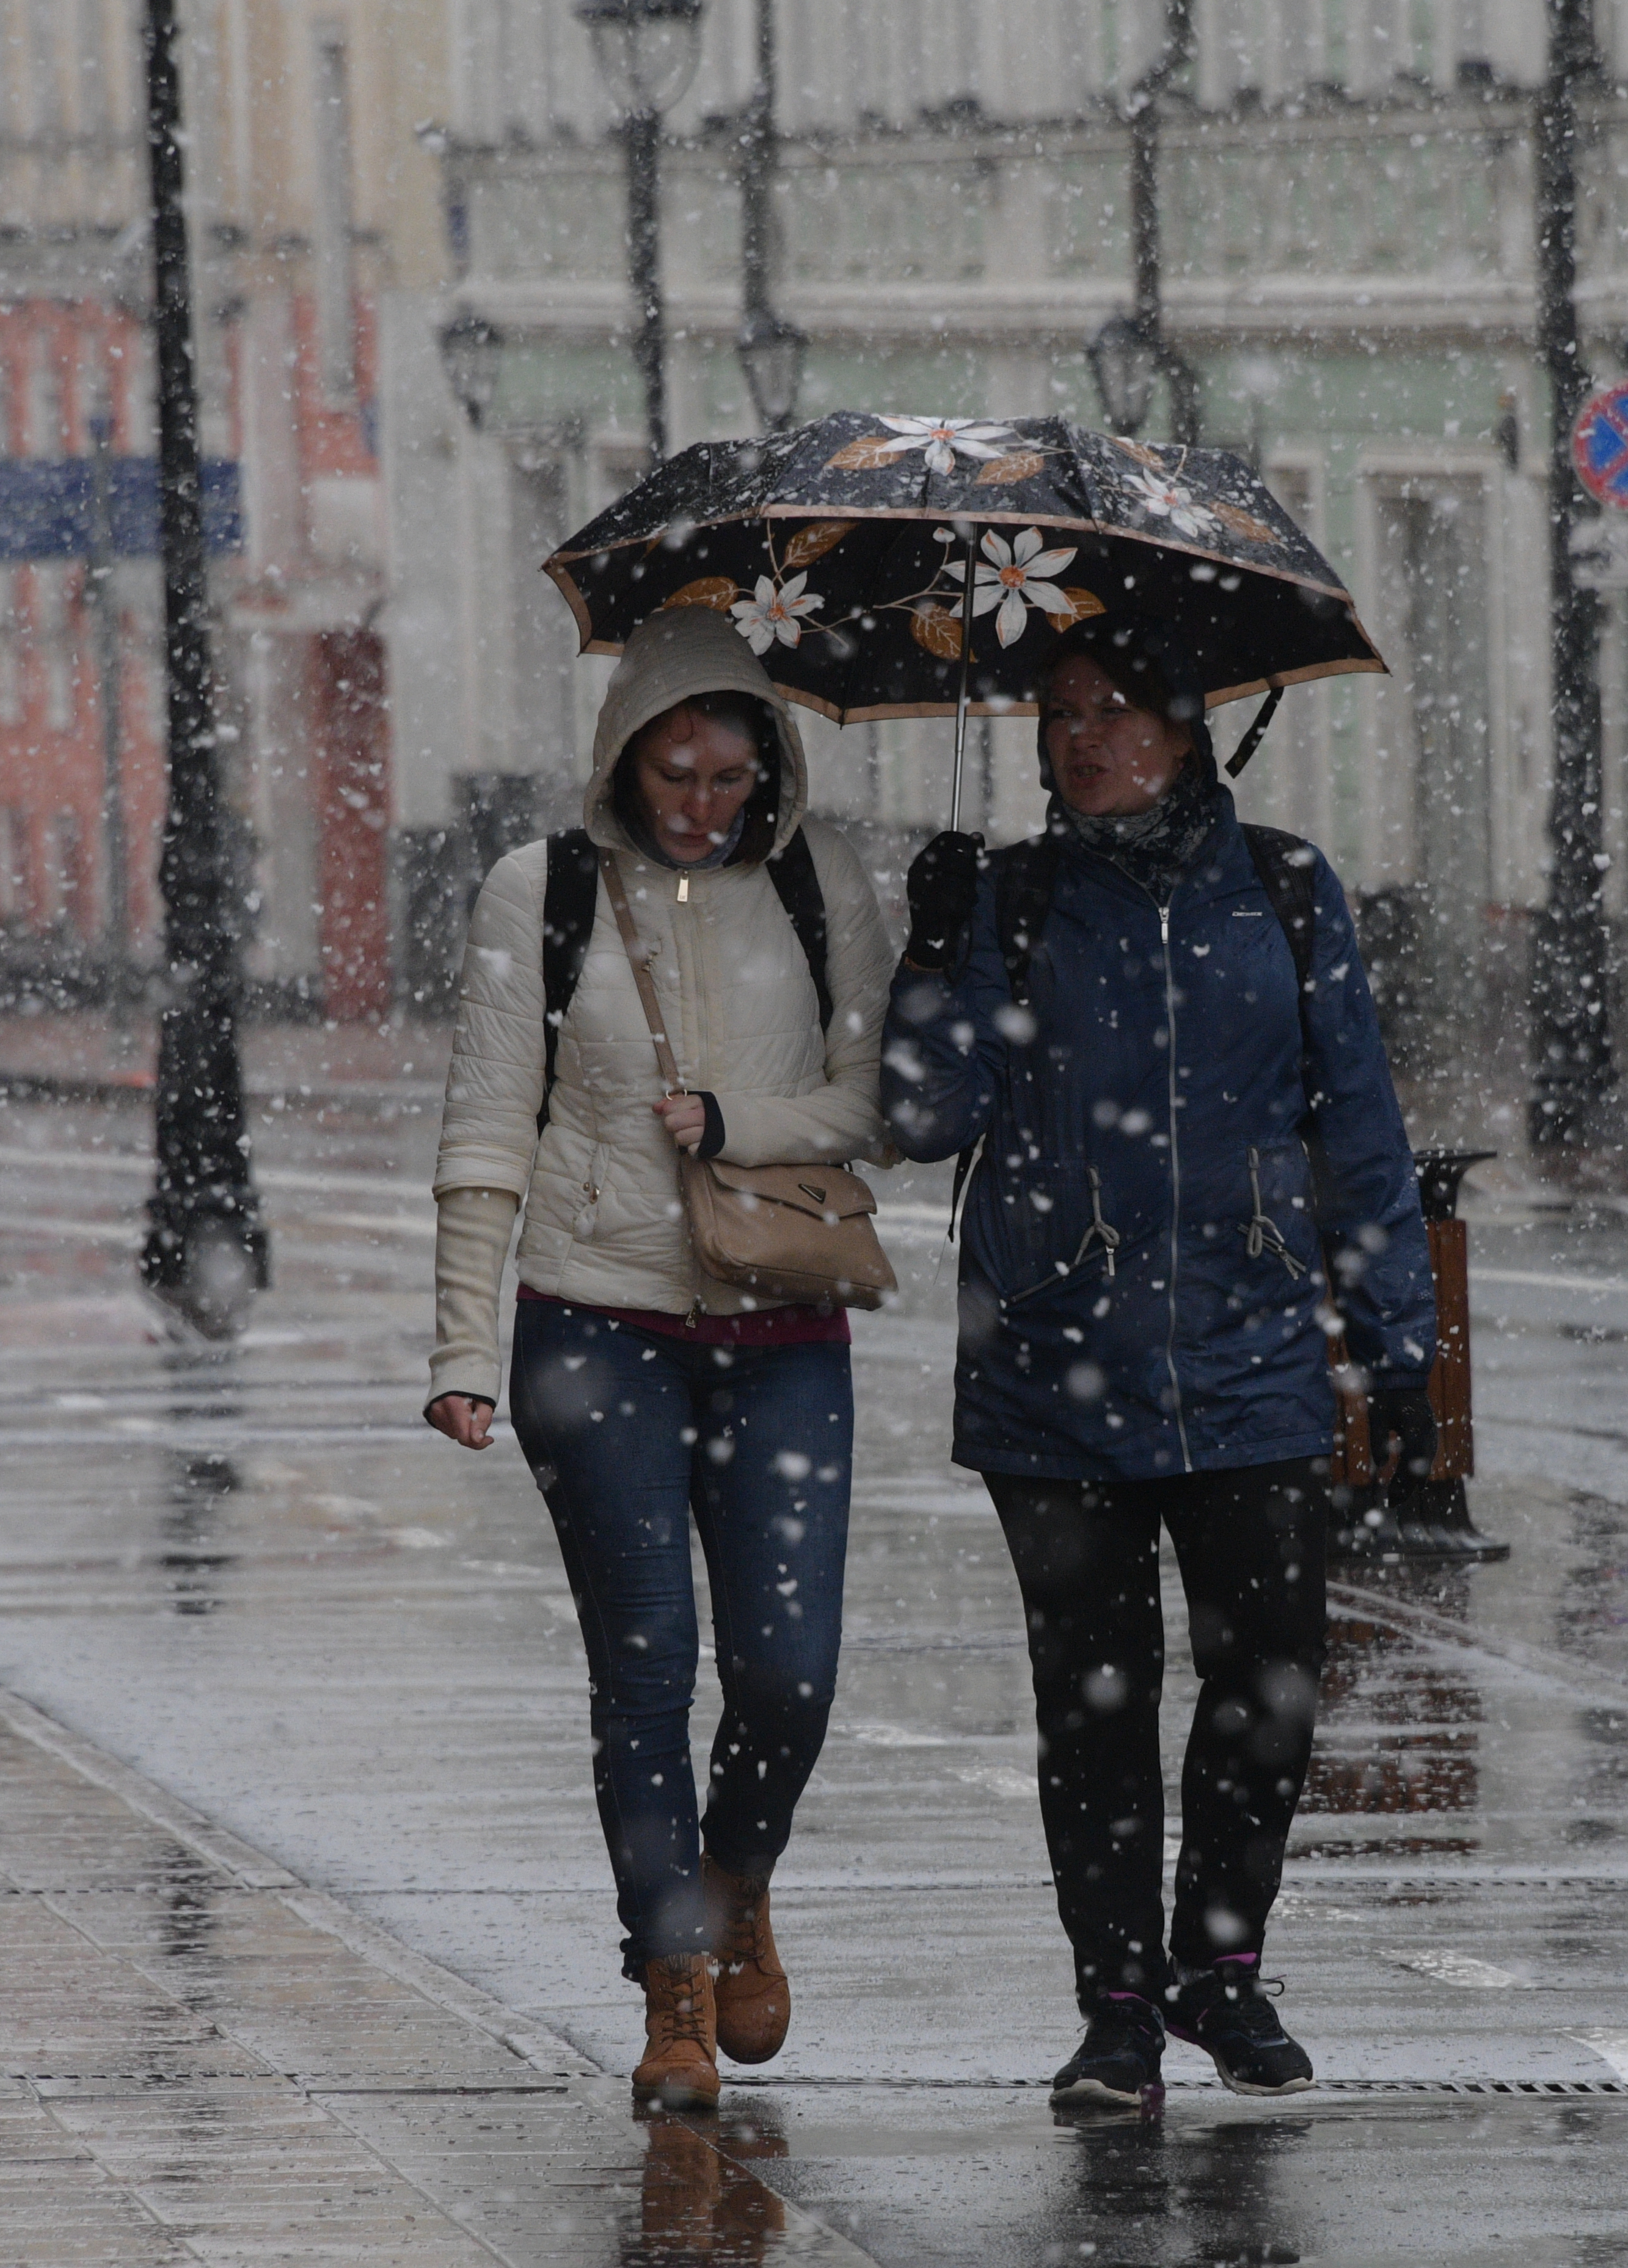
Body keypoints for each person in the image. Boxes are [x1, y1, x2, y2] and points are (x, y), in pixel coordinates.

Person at [882, 614, 1439, 2112]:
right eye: (1059, 715)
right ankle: (1118, 2002)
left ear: (1191, 730)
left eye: (1116, 709)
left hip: (1251, 1349)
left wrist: (1397, 1349)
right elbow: (924, 1114)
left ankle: (1220, 1968)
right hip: (1049, 1363)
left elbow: (1359, 1126)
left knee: (1270, 1679)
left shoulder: (1286, 889)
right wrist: (932, 952)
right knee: (1097, 1699)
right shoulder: (1012, 898)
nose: (1082, 738)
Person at [423, 609, 894, 2112]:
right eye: (677, 771)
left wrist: (741, 1121)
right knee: (644, 1672)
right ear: (623, 758)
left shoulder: (822, 888)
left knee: (789, 1675)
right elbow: (490, 1121)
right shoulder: (540, 891)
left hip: (782, 1328)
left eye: (731, 776)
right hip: (597, 1319)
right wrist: (461, 1339)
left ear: (771, 770)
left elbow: (872, 1099)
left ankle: (737, 1874)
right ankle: (673, 1981)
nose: (705, 803)